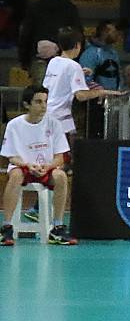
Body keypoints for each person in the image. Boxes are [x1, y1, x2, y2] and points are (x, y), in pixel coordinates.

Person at [2, 86, 74, 246]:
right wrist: (28, 165)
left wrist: (48, 167)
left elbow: (60, 157)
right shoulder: (14, 125)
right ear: (27, 104)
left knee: (61, 176)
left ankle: (57, 228)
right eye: (38, 102)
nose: (43, 106)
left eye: (45, 102)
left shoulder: (54, 124)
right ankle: (6, 227)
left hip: (46, 168)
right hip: (23, 167)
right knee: (15, 175)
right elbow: (11, 157)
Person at [45, 28, 118, 139]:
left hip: (47, 115)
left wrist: (80, 73)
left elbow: (57, 81)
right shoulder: (74, 66)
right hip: (61, 120)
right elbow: (81, 95)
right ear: (77, 45)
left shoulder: (53, 62)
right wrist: (102, 92)